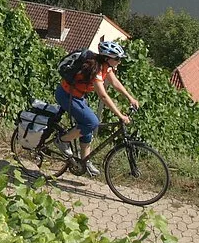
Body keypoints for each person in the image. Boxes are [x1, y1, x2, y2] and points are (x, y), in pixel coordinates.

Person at [53, 39, 140, 176]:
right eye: (117, 58)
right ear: (107, 58)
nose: (119, 61)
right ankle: (62, 141)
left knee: (87, 127)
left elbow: (115, 82)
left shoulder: (105, 66)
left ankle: (84, 162)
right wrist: (121, 116)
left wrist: (130, 98)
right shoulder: (96, 69)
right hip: (66, 95)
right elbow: (103, 96)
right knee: (92, 122)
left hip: (78, 96)